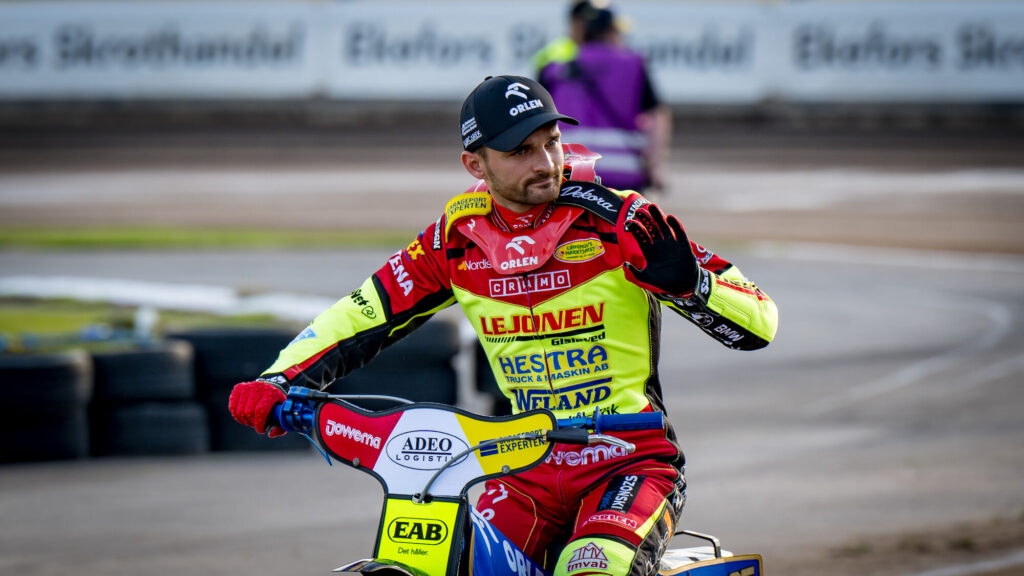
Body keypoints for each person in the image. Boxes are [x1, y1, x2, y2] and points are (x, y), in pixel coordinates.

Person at [229, 75, 777, 575]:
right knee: (448, 564)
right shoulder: (453, 239)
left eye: (551, 142)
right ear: (476, 165)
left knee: (592, 571)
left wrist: (694, 287)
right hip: (522, 463)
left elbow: (761, 321)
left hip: (630, 461)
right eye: (521, 151)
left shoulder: (622, 219)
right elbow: (361, 312)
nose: (545, 162)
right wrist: (277, 379)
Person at [538, 4, 671, 197]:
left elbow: (538, 121)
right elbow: (658, 116)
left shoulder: (552, 70)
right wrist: (654, 167)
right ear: (610, 32)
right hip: (624, 174)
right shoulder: (634, 65)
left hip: (569, 175)